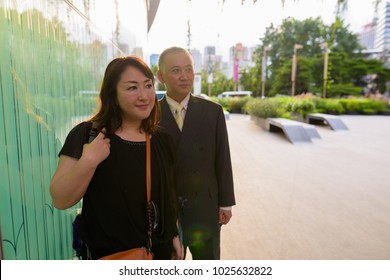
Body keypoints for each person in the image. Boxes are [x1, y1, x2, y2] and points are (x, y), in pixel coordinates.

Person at [50, 56, 183, 260]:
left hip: (159, 254)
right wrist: (88, 161)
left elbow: (169, 194)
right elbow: (60, 199)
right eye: (132, 88)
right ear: (113, 94)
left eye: (148, 85)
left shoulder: (161, 140)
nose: (144, 96)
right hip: (111, 257)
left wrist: (174, 234)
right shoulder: (86, 136)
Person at [157, 47, 236, 260]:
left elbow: (222, 159)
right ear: (160, 76)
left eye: (188, 69)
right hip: (168, 213)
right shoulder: (151, 115)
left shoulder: (213, 112)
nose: (184, 77)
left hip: (206, 209)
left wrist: (225, 203)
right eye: (175, 70)